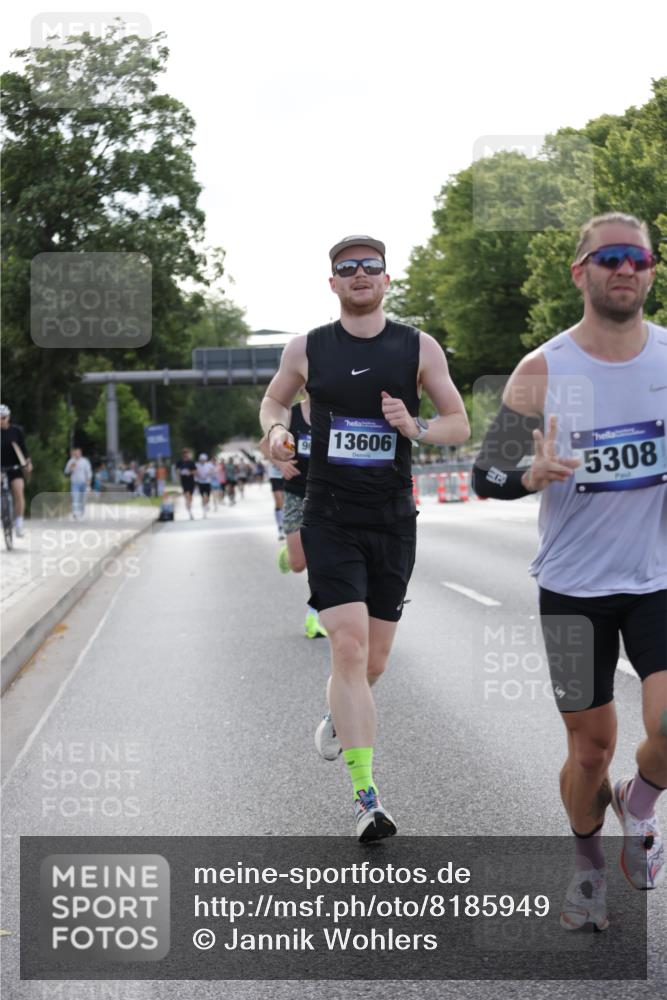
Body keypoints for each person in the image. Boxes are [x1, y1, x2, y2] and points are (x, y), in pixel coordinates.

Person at [472, 213, 666, 928]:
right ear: (580, 271)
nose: (626, 269)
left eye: (639, 257)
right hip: (572, 588)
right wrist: (529, 475)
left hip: (656, 580)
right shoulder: (544, 369)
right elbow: (485, 474)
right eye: (610, 257)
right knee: (590, 752)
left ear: (651, 270)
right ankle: (587, 871)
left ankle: (638, 802)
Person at [260, 234, 469, 841]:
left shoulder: (418, 346)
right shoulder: (307, 348)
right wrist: (274, 433)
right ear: (333, 282)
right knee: (348, 649)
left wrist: (416, 426)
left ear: (385, 279)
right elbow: (273, 401)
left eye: (370, 266)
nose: (359, 274)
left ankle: (339, 713)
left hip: (392, 520)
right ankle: (366, 799)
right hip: (328, 515)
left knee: (374, 661)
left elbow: (458, 423)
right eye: (347, 267)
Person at [275, 395, 327, 638]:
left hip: (327, 495)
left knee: (323, 561)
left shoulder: (334, 412)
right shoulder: (290, 415)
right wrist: (281, 464)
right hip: (296, 493)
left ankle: (314, 615)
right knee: (298, 564)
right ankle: (289, 552)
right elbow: (266, 445)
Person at [0, 404, 32, 537]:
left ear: (8, 417)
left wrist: (28, 463)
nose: (1, 420)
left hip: (15, 466)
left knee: (18, 490)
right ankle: (3, 515)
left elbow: (24, 449)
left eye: (3, 417)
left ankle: (19, 524)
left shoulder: (16, 431)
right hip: (0, 467)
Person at [64, 447, 92, 519]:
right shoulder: (71, 461)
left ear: (80, 453)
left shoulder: (85, 461)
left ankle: (82, 512)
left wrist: (88, 482)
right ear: (74, 453)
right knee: (75, 497)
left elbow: (88, 472)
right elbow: (66, 471)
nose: (77, 454)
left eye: (78, 453)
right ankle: (75, 512)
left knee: (83, 499)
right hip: (75, 483)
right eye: (76, 453)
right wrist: (71, 468)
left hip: (83, 483)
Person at [176, 448, 196, 519]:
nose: (185, 454)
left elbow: (195, 471)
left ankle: (189, 504)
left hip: (191, 480)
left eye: (186, 453)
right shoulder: (180, 462)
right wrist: (179, 475)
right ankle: (189, 510)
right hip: (184, 481)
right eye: (184, 453)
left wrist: (189, 472)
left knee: (190, 496)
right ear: (183, 454)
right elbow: (177, 470)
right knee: (187, 494)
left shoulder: (191, 462)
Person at [195, 453, 215, 518]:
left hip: (207, 482)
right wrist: (198, 474)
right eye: (201, 459)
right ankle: (204, 510)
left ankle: (206, 504)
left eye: (203, 459)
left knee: (207, 497)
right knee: (203, 497)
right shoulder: (197, 465)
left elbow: (212, 471)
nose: (202, 461)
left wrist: (209, 473)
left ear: (205, 460)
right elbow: (195, 472)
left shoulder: (209, 465)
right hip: (200, 483)